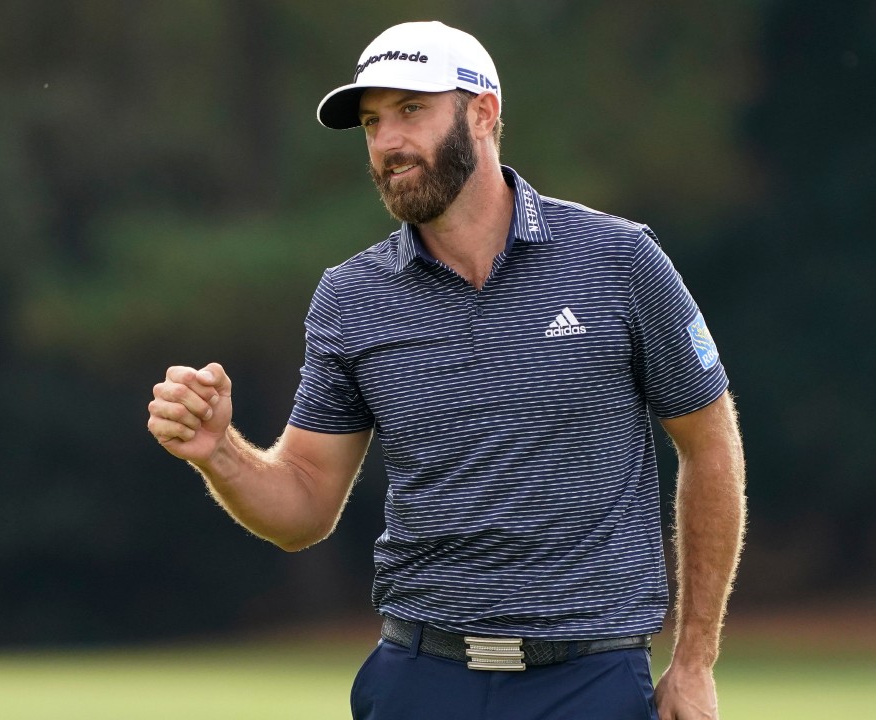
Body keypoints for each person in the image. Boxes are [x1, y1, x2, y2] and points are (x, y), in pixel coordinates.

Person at [147, 20, 746, 720]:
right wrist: (220, 452)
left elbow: (710, 446)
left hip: (591, 682)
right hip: (421, 681)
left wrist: (696, 658)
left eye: (411, 111)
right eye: (372, 122)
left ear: (484, 113)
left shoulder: (619, 261)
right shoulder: (352, 297)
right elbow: (303, 505)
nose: (387, 142)